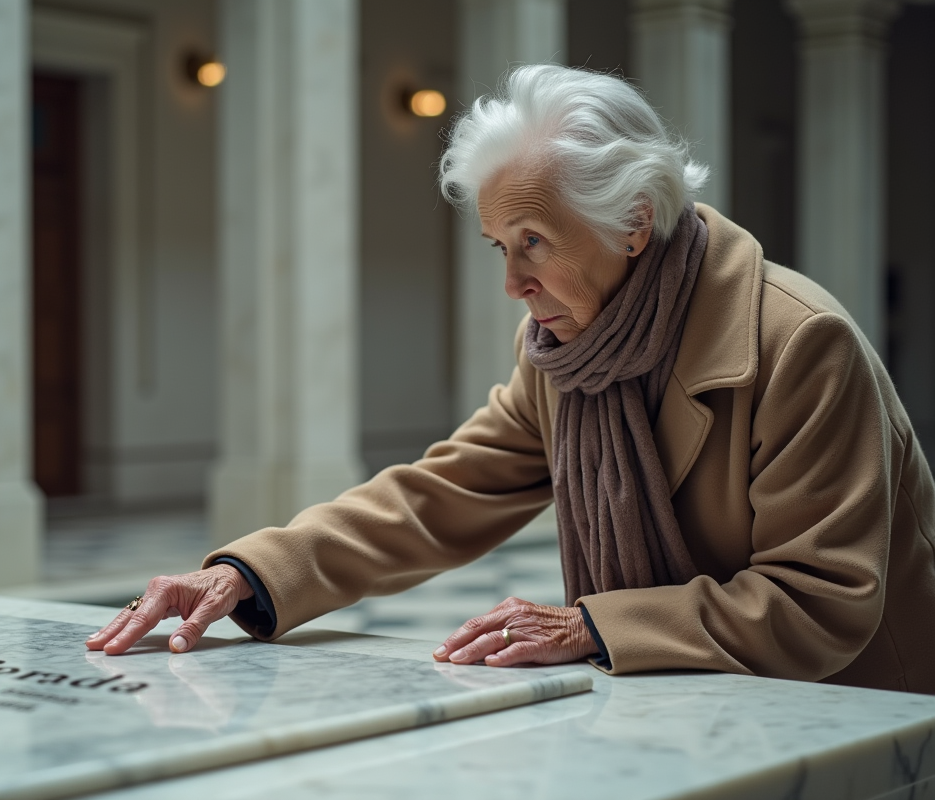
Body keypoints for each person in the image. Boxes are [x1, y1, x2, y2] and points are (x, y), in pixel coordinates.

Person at [87, 64, 935, 694]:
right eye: (501, 245)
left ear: (634, 221)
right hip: (700, 700)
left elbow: (823, 600)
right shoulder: (565, 349)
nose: (513, 285)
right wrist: (251, 573)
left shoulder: (798, 342)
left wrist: (592, 624)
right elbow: (438, 495)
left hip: (861, 714)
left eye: (533, 240)